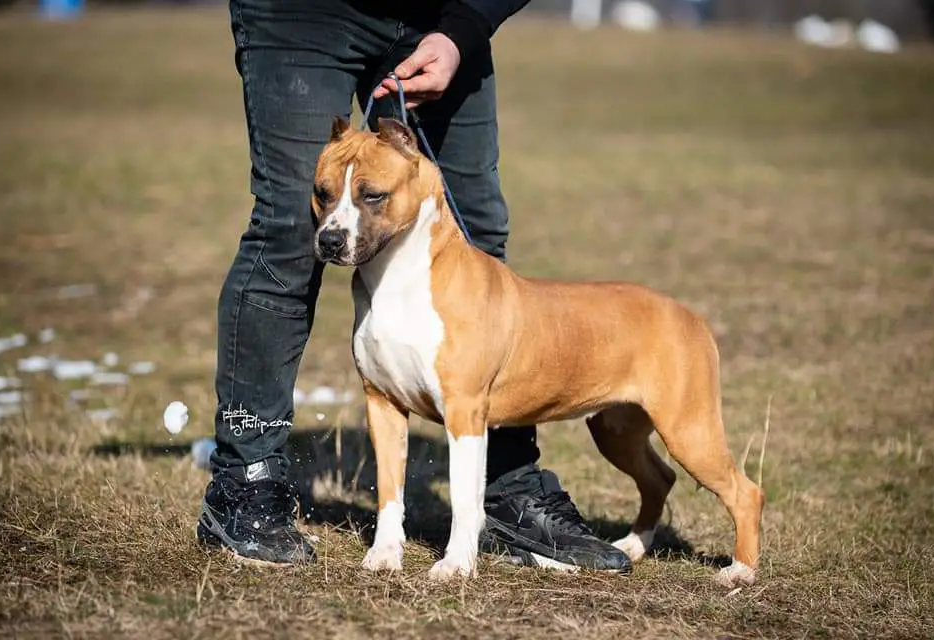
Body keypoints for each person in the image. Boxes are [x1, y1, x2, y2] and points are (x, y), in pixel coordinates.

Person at [196, 0, 631, 573]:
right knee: (288, 231)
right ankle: (245, 478)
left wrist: (464, 28)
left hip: (442, 16)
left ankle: (505, 488)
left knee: (475, 231)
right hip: (300, 14)